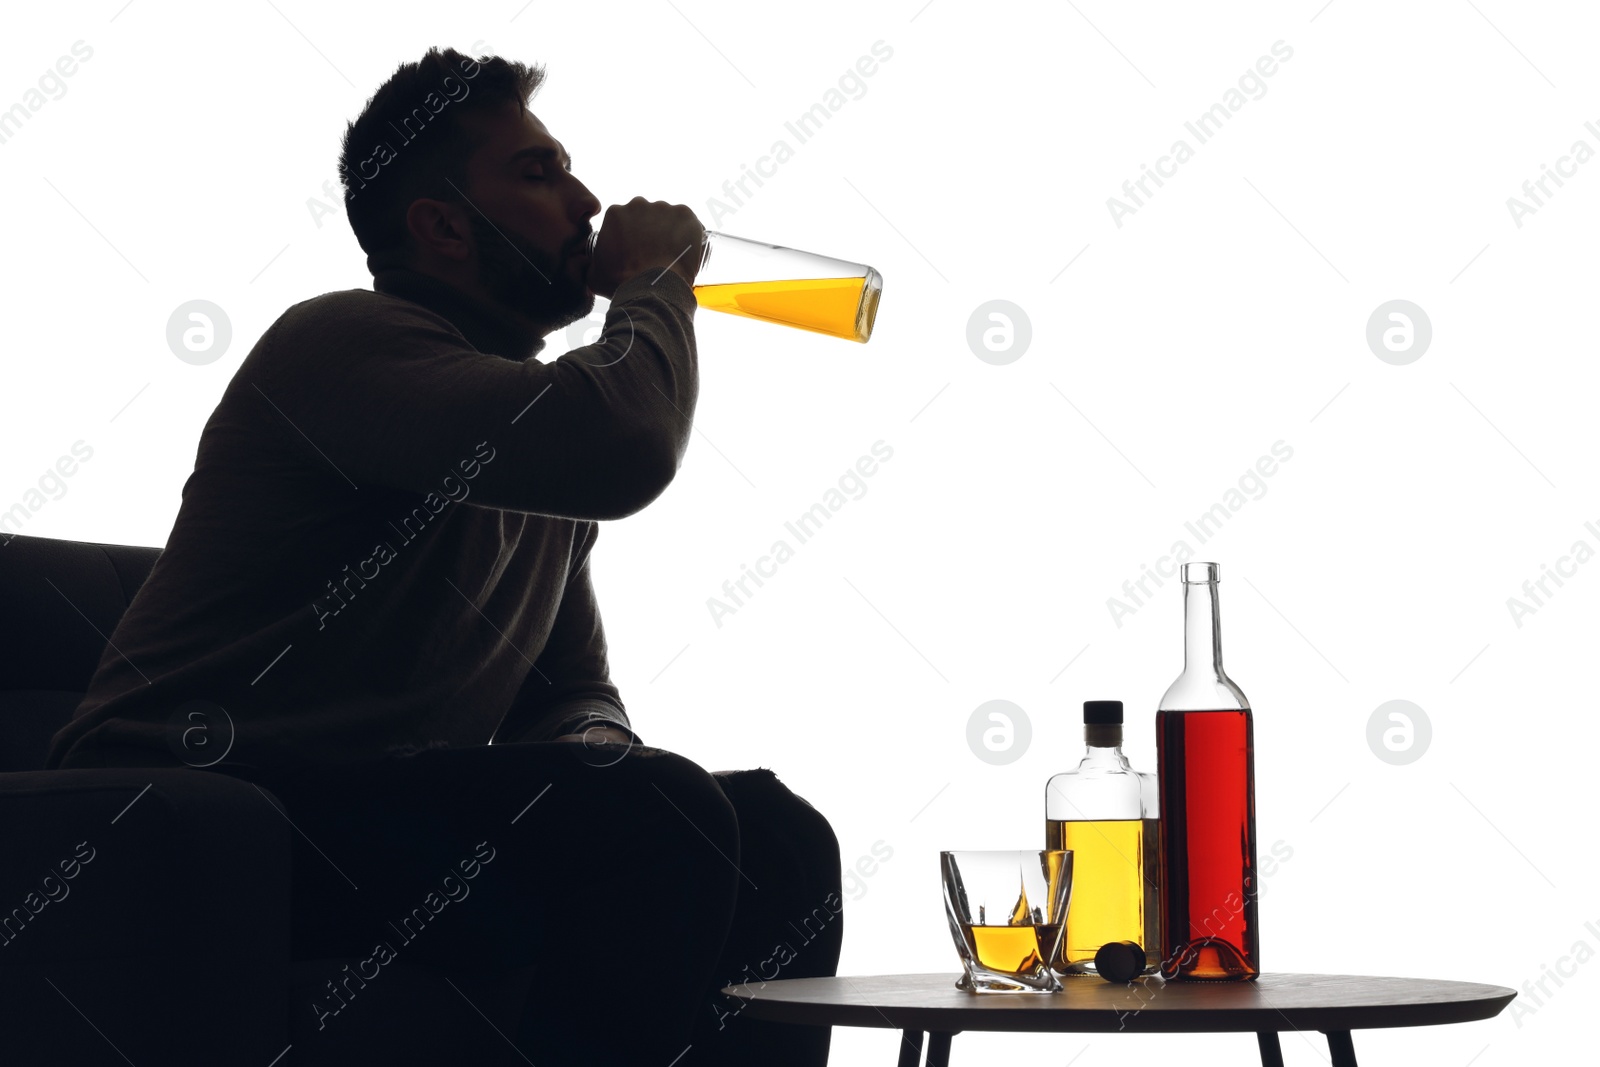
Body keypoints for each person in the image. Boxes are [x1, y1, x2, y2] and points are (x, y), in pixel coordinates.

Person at [43, 46, 842, 1065]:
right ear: (441, 226)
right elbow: (627, 443)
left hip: (365, 812)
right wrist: (652, 284)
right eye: (538, 174)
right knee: (657, 816)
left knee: (774, 832)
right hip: (188, 809)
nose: (589, 201)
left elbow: (570, 691)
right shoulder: (345, 344)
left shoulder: (524, 432)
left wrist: (596, 750)